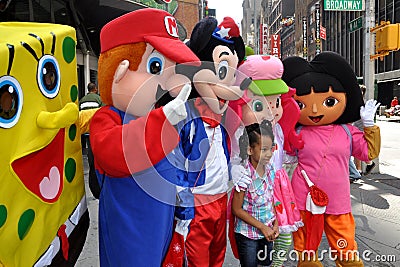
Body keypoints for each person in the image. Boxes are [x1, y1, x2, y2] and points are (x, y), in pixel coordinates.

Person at [89, 9, 199, 267]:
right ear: (120, 70)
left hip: (162, 227)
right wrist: (163, 120)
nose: (168, 88)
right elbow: (116, 153)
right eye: (156, 67)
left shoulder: (163, 119)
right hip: (129, 237)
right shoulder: (108, 118)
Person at [282, 52, 381, 267]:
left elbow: (368, 153)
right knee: (307, 252)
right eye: (302, 104)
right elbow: (281, 155)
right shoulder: (295, 131)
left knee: (346, 250)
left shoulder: (346, 131)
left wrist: (369, 126)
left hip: (338, 200)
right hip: (303, 199)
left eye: (328, 101)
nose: (315, 110)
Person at [232, 121, 279, 267]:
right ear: (250, 150)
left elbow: (270, 198)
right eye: (264, 149)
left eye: (271, 148)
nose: (269, 154)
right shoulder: (244, 174)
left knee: (266, 263)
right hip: (248, 235)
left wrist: (275, 222)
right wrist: (262, 227)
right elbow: (237, 209)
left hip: (268, 231)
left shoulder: (270, 169)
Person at [79, 83, 104, 198]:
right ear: (95, 89)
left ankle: (93, 183)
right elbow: (103, 113)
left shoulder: (82, 100)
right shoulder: (98, 98)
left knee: (90, 156)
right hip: (97, 131)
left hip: (86, 132)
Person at [352, 85, 376, 180]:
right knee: (357, 150)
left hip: (361, 129)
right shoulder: (357, 102)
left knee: (358, 150)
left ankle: (361, 168)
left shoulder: (363, 103)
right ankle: (361, 168)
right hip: (357, 128)